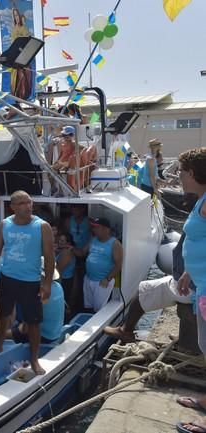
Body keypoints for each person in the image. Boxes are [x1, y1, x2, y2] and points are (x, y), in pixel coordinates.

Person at [0, 190, 55, 375]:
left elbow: (49, 257)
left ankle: (34, 360)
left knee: (34, 322)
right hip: (7, 278)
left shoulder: (42, 226)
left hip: (30, 282)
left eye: (29, 202)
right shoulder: (4, 224)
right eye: (23, 203)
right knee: (2, 316)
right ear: (13, 207)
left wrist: (47, 283)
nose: (28, 206)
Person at [104, 232, 194, 343]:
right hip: (194, 283)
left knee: (144, 289)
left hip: (191, 286)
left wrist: (188, 271)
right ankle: (187, 336)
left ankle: (125, 331)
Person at [175, 147, 206, 433]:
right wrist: (188, 270)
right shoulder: (201, 201)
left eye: (182, 172)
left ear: (193, 174)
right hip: (201, 285)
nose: (180, 177)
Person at [8, 262, 65, 344]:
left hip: (43, 337)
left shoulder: (36, 294)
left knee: (0, 335)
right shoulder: (58, 286)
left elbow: (24, 329)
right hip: (55, 334)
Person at [82, 217, 123, 312]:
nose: (94, 229)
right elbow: (82, 252)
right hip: (88, 279)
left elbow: (118, 265)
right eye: (93, 227)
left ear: (106, 229)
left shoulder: (115, 244)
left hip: (102, 282)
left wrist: (107, 279)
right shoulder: (93, 239)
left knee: (99, 310)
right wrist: (70, 248)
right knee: (89, 307)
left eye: (97, 227)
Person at [56, 232, 76, 318]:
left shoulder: (66, 253)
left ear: (68, 243)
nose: (60, 242)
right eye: (60, 240)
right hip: (65, 279)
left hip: (64, 281)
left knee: (64, 303)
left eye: (62, 241)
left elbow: (59, 269)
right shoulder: (64, 250)